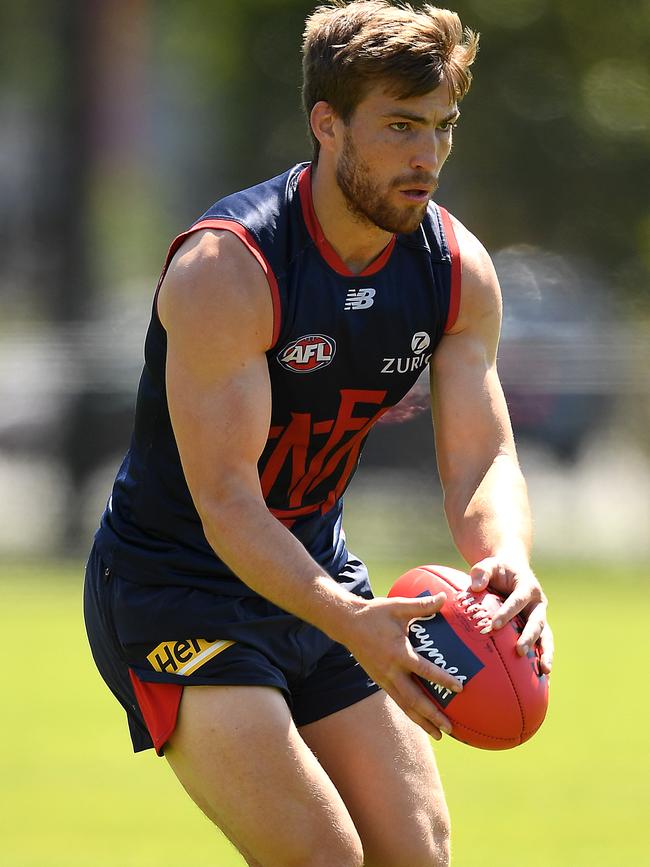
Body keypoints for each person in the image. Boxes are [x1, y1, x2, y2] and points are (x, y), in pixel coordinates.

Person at [84, 2, 554, 865]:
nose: (429, 157)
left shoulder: (456, 269)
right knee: (320, 857)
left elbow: (482, 457)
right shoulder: (230, 269)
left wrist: (509, 562)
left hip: (317, 568)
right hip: (173, 587)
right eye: (401, 127)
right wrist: (351, 619)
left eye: (443, 127)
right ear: (326, 124)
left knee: (417, 854)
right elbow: (227, 501)